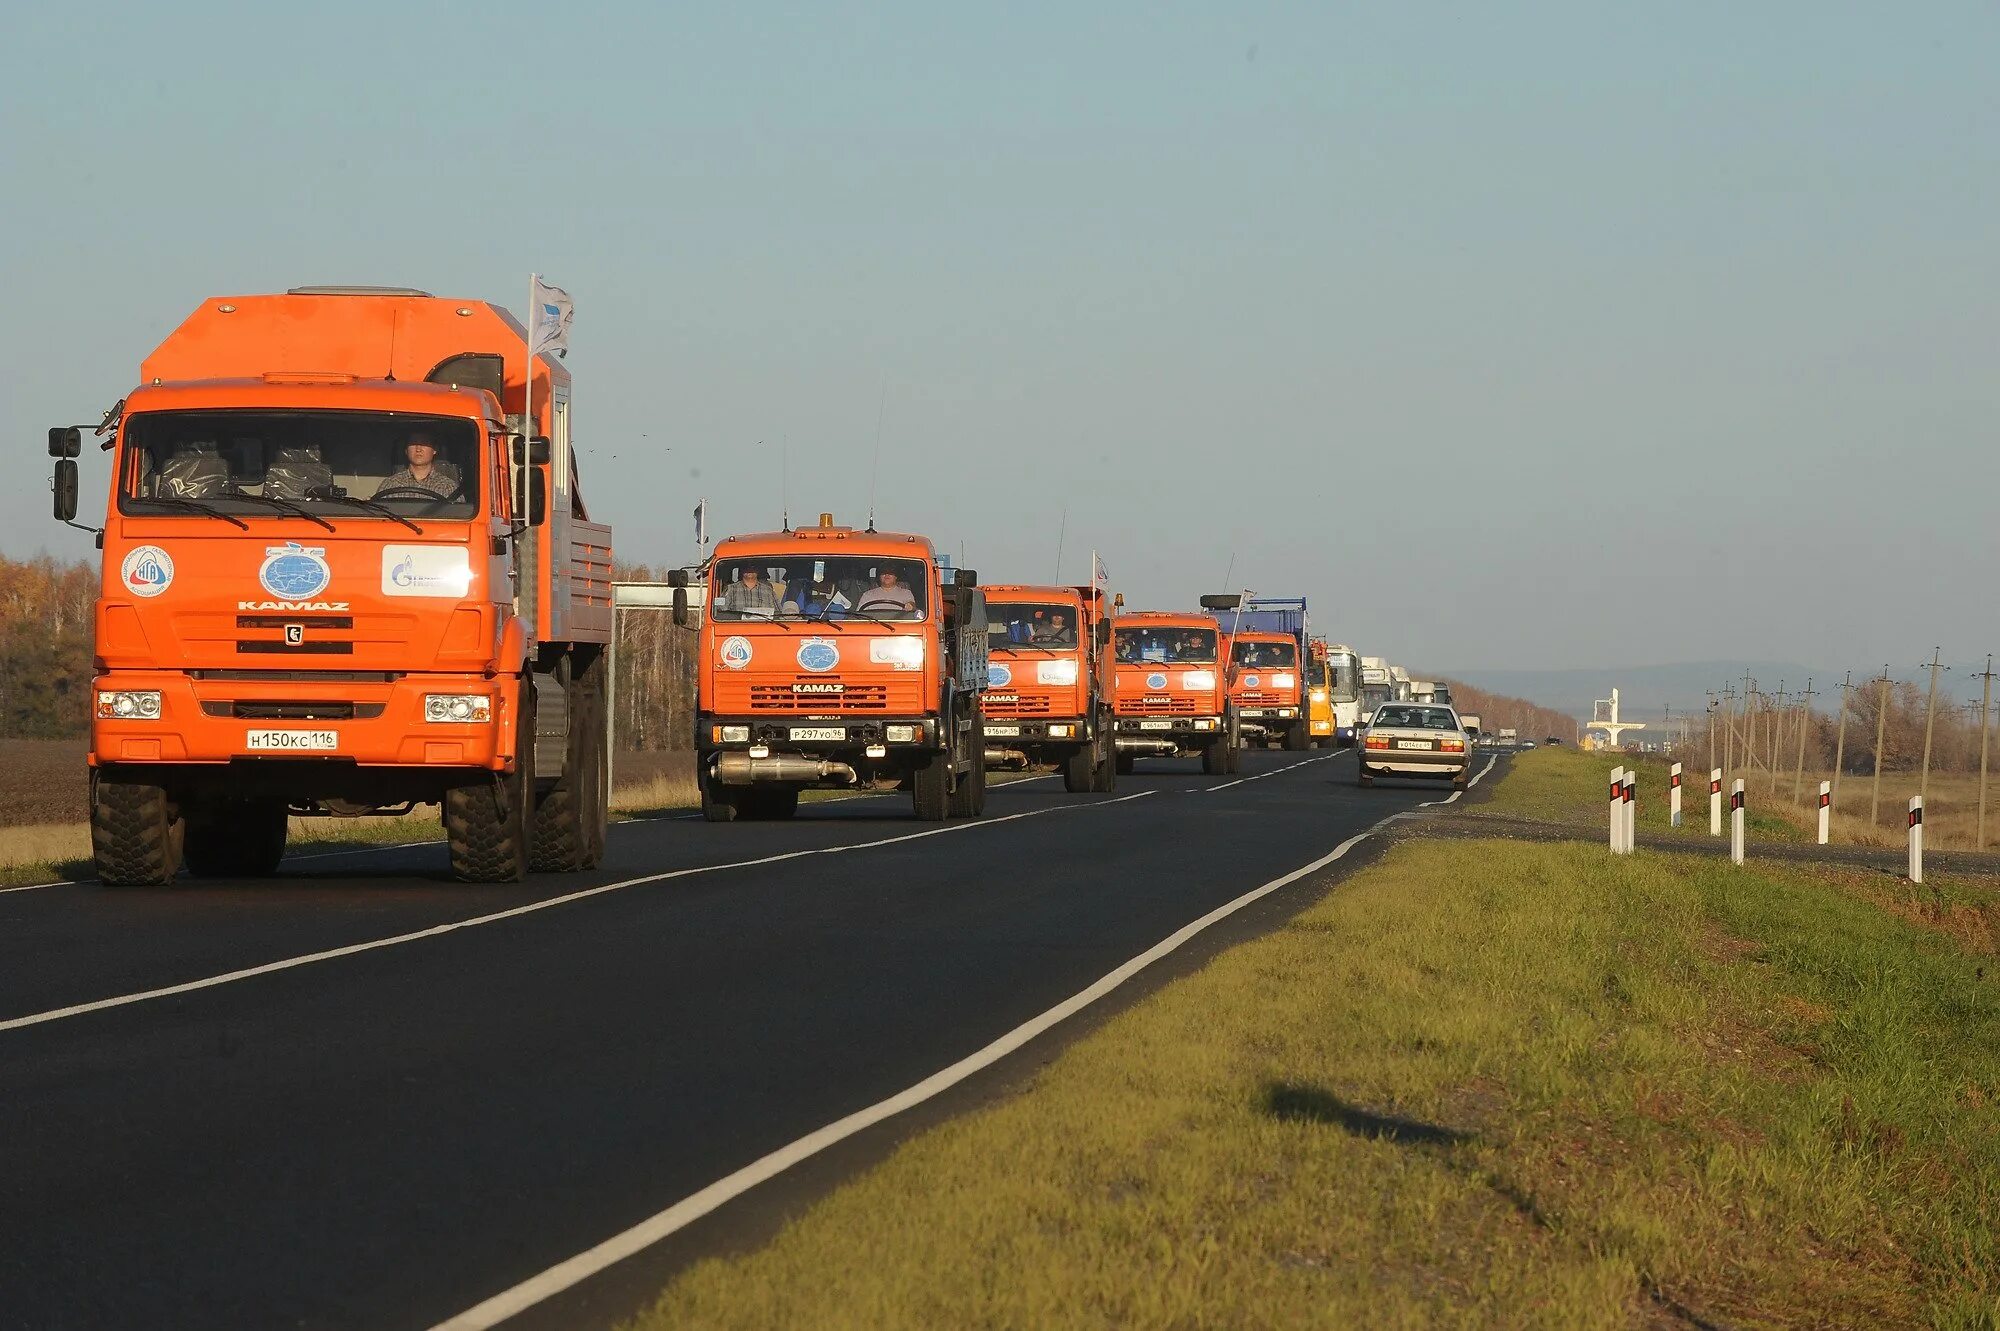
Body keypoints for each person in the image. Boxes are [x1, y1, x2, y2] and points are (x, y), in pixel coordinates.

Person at [374, 431, 462, 500]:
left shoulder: (448, 487)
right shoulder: (390, 484)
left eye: (424, 443)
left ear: (434, 450)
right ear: (406, 450)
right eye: (413, 443)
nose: (418, 449)